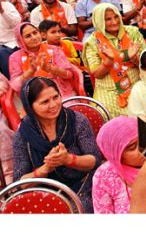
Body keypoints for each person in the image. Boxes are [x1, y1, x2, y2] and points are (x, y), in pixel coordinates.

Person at [12, 77, 101, 212]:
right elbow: (20, 184)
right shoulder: (23, 134)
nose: (53, 105)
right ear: (30, 106)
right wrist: (45, 169)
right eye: (45, 102)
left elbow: (95, 160)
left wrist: (68, 159)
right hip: (46, 194)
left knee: (80, 208)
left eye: (55, 97)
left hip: (83, 185)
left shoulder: (77, 121)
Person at [83, 3, 145, 117]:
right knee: (104, 114)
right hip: (108, 89)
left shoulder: (132, 32)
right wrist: (109, 61)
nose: (114, 22)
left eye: (116, 16)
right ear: (99, 21)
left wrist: (134, 59)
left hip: (135, 84)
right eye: (108, 19)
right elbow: (97, 74)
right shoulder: (92, 42)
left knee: (144, 112)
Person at [9, 22, 79, 98]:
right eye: (28, 36)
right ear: (21, 40)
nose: (34, 37)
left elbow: (69, 74)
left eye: (35, 33)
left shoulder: (54, 50)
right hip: (35, 97)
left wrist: (50, 69)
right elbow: (15, 86)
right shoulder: (15, 57)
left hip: (60, 91)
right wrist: (30, 71)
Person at [92, 116, 144, 214]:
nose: (143, 150)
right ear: (116, 154)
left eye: (144, 141)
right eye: (133, 147)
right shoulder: (104, 176)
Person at [0, 0, 23, 78]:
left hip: (11, 43)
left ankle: (14, 82)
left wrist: (2, 11)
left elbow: (17, 23)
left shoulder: (7, 5)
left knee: (1, 52)